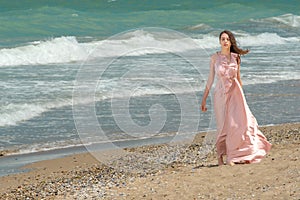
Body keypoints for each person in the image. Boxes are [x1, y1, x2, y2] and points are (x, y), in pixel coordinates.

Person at [201, 30, 271, 166]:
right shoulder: (214, 58)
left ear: (230, 41)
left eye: (227, 39)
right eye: (222, 39)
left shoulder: (236, 57)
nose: (225, 41)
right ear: (219, 41)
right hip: (220, 95)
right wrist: (204, 99)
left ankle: (232, 156)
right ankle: (220, 156)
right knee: (222, 126)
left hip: (235, 93)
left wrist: (242, 97)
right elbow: (210, 79)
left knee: (237, 124)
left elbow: (238, 78)